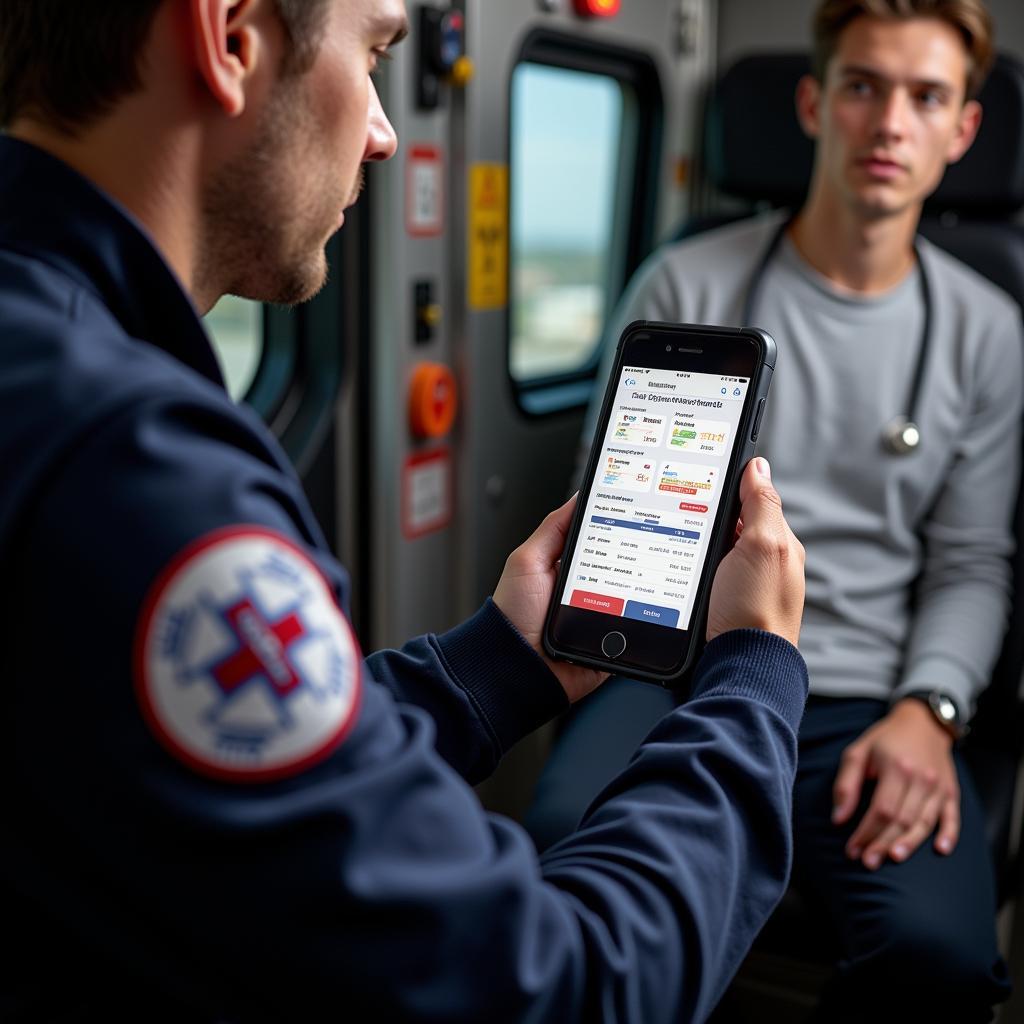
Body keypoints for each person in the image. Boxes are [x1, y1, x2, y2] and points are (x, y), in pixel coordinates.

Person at [0, 1, 810, 1021]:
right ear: (232, 36)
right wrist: (755, 671)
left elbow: (226, 788)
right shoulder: (140, 471)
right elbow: (563, 992)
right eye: (375, 51)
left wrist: (498, 664)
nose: (384, 132)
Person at [528, 1, 1023, 1020]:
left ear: (960, 130)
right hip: (676, 665)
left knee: (938, 956)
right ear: (813, 103)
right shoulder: (687, 281)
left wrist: (929, 712)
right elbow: (606, 506)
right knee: (558, 853)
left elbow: (973, 562)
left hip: (863, 698)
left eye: (925, 96)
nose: (889, 122)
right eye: (861, 86)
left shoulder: (988, 332)